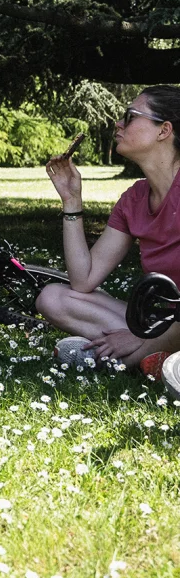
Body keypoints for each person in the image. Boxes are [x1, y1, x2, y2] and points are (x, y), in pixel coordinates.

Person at [37, 85, 180, 382]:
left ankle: (121, 360)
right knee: (52, 298)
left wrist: (139, 337)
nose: (118, 123)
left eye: (130, 116)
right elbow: (83, 280)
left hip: (174, 322)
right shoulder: (134, 199)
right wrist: (71, 201)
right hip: (165, 321)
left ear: (164, 130)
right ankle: (156, 358)